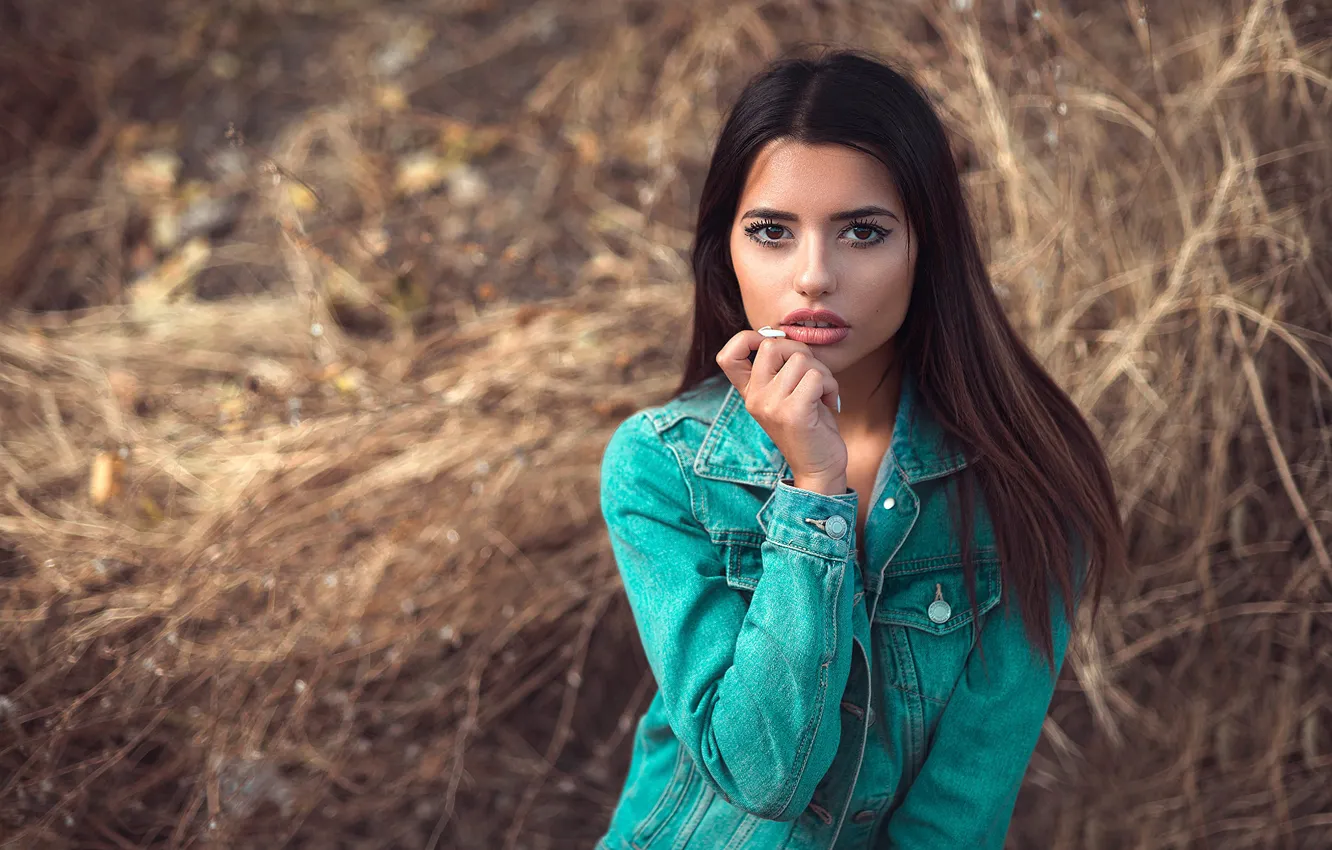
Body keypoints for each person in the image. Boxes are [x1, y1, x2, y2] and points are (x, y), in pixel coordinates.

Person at [596, 46, 1126, 849]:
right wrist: (814, 493)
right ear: (724, 251)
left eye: (864, 232)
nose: (813, 277)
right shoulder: (661, 467)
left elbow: (960, 810)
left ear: (927, 249)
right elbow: (759, 775)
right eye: (771, 231)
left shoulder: (1029, 484)